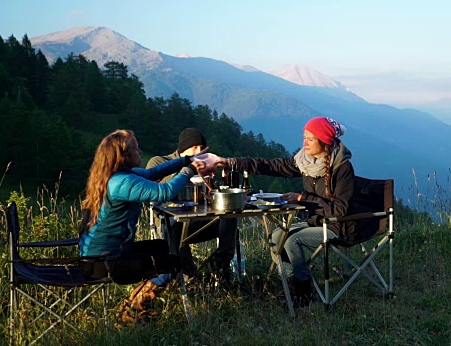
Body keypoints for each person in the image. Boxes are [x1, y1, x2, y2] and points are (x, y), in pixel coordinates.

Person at [209, 116, 355, 306]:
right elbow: (270, 165)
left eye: (310, 139)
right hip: (316, 222)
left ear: (325, 142)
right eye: (304, 137)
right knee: (277, 236)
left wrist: (303, 199)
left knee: (292, 238)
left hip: (338, 227)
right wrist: (229, 162)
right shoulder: (305, 162)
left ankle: (302, 292)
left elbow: (340, 210)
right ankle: (290, 285)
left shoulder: (342, 168)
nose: (305, 143)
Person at [78, 129, 210, 286]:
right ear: (124, 156)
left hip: (102, 256)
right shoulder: (122, 183)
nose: (140, 151)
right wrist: (189, 170)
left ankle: (145, 300)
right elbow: (164, 192)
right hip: (104, 263)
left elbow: (153, 173)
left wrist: (187, 160)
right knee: (172, 261)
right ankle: (135, 305)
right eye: (136, 149)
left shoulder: (116, 176)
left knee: (165, 247)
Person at [146, 128, 238, 283]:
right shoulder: (159, 162)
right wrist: (186, 170)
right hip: (170, 223)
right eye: (195, 147)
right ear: (183, 148)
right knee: (173, 225)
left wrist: (214, 183)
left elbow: (212, 199)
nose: (199, 151)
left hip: (198, 221)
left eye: (202, 148)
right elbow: (155, 192)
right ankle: (187, 277)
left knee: (230, 212)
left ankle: (220, 263)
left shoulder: (202, 167)